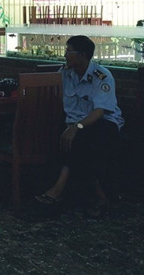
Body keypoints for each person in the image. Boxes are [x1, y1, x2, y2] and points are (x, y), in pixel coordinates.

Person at [35, 35, 124, 218]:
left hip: (103, 124)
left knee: (80, 140)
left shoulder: (101, 76)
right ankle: (100, 196)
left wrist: (76, 128)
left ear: (83, 55)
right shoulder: (65, 73)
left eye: (69, 52)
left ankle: (58, 190)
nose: (65, 55)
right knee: (70, 141)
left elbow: (100, 111)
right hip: (76, 125)